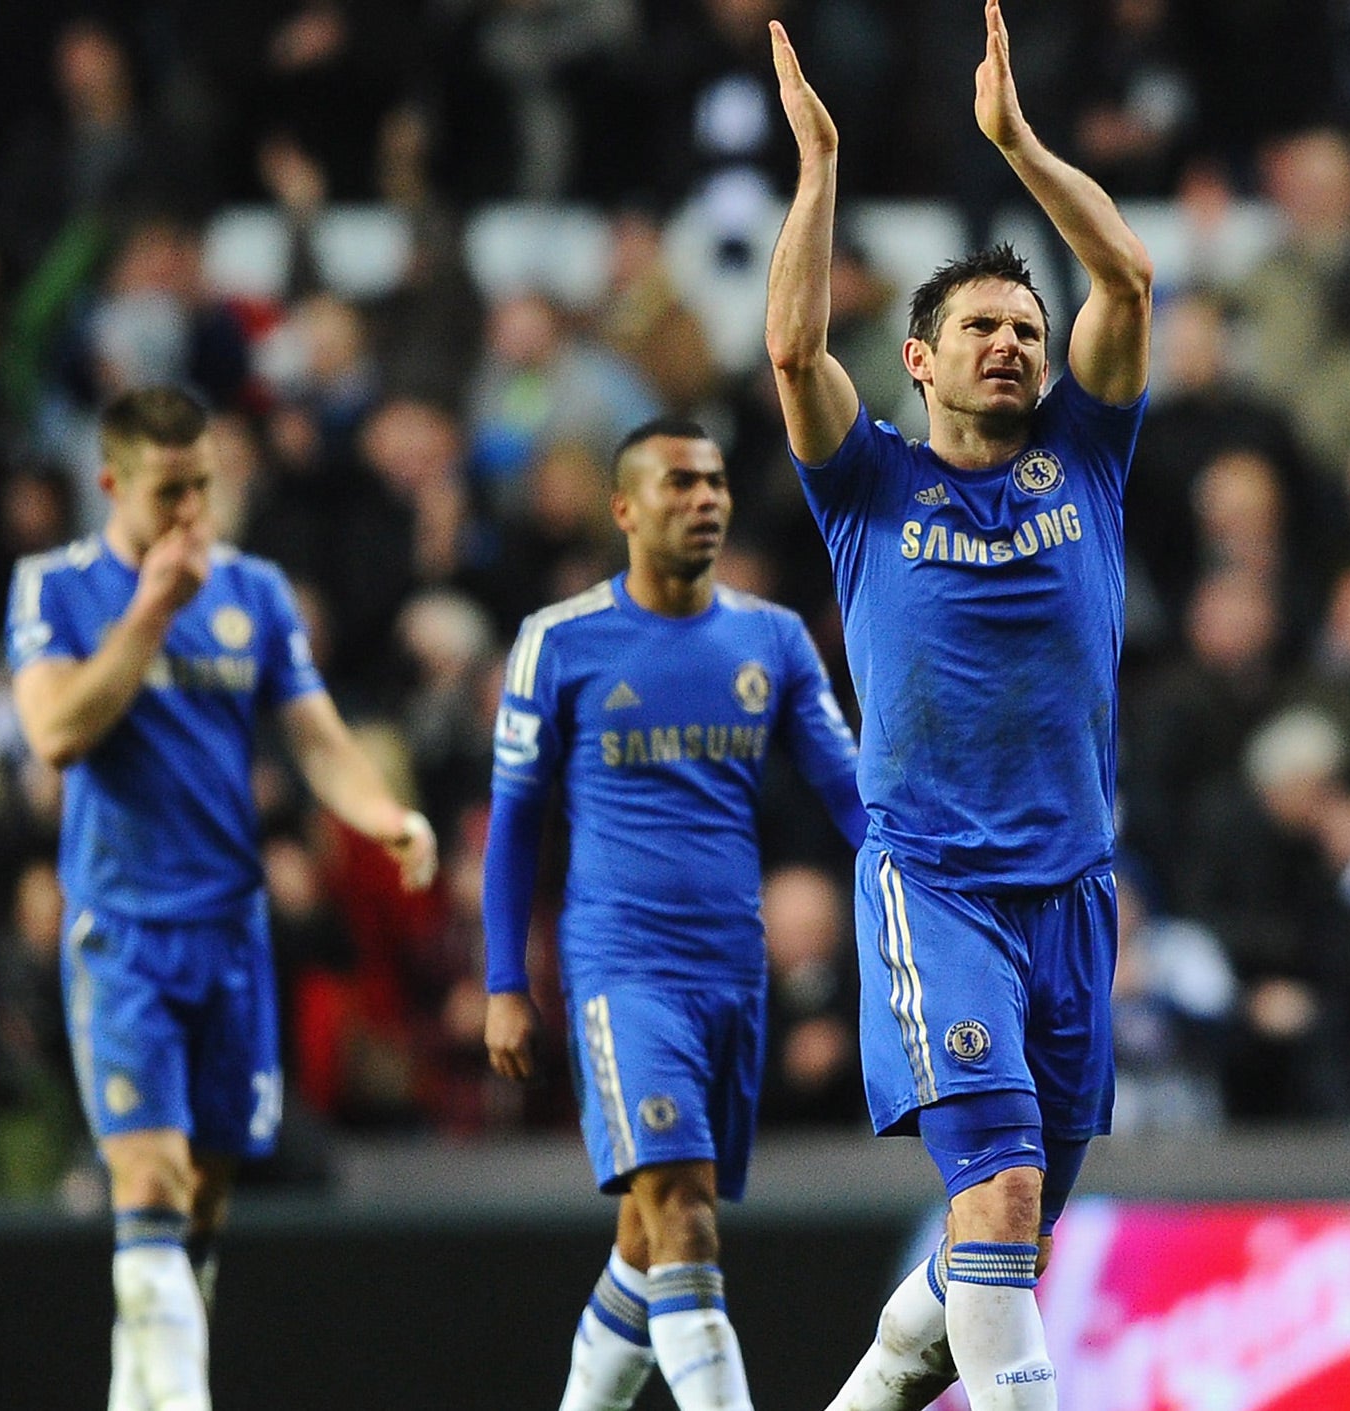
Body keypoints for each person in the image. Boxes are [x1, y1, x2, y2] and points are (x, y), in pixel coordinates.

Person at [765, 3, 1154, 1407]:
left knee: (1011, 1237)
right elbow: (795, 354)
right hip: (939, 886)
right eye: (980, 324)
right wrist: (819, 172)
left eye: (1025, 326)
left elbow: (1130, 273)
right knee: (994, 1193)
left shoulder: (1085, 458)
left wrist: (1021, 146)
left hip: (1072, 890)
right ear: (917, 359)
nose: (1011, 342)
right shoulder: (867, 483)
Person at [6, 385, 437, 1411]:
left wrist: (382, 814)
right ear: (111, 483)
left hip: (232, 933)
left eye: (205, 485)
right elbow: (57, 732)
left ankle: (137, 1392)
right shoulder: (56, 590)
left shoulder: (255, 591)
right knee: (145, 1180)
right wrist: (151, 607)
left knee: (197, 1205)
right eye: (170, 490)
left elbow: (316, 733)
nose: (193, 511)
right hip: (123, 928)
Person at [482, 417, 867, 1411]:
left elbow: (851, 795)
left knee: (648, 1238)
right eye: (677, 485)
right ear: (622, 507)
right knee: (687, 1216)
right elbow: (515, 825)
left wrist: (931, 882)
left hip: (732, 972)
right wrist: (501, 983)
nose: (703, 500)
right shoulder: (557, 643)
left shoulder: (770, 639)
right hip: (622, 970)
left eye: (714, 484)